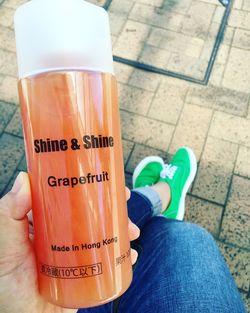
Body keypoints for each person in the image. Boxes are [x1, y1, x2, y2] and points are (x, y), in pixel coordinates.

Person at [0, 147, 246, 313]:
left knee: (99, 219)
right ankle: (163, 196)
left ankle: (156, 196)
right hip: (61, 291)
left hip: (47, 297)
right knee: (185, 240)